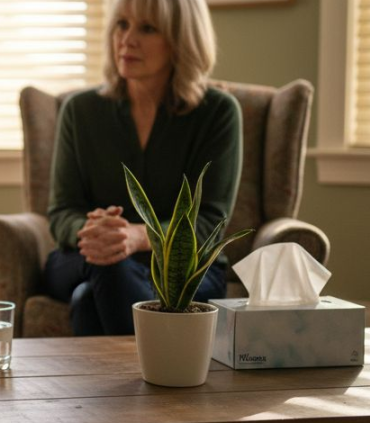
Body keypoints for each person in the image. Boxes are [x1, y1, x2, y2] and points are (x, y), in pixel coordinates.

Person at [43, 0, 242, 336]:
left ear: (181, 40)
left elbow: (209, 222)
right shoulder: (80, 110)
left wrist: (137, 236)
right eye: (122, 24)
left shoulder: (218, 113)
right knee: (109, 263)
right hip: (83, 256)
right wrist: (96, 231)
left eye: (147, 28)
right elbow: (62, 212)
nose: (127, 39)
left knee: (88, 299)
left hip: (184, 272)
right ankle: (158, 368)